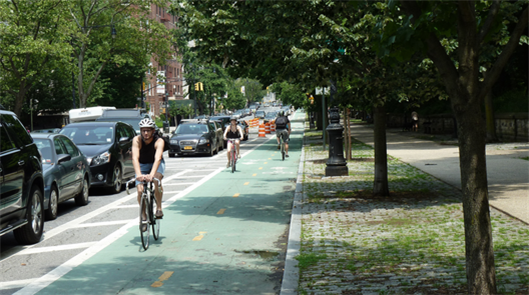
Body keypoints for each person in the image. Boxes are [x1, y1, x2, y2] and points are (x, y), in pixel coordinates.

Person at [132, 118, 165, 231]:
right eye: (143, 130)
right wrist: (138, 175)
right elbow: (135, 158)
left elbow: (158, 158)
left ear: (153, 131)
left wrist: (152, 175)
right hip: (142, 163)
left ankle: (159, 208)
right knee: (140, 190)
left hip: (156, 163)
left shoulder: (159, 141)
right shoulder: (137, 140)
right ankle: (144, 216)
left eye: (148, 130)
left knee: (156, 181)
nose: (145, 133)